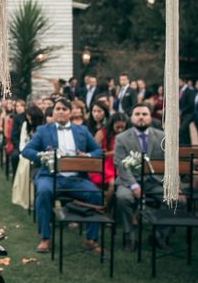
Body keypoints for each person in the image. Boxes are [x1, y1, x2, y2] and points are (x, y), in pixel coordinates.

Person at [21, 97, 103, 254]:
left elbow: (98, 151)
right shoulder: (43, 130)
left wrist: (87, 155)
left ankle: (91, 238)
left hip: (76, 179)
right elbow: (27, 151)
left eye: (64, 109)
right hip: (51, 177)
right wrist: (44, 156)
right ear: (53, 111)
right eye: (57, 109)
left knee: (96, 194)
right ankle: (45, 237)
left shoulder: (82, 131)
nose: (60, 112)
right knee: (43, 192)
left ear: (71, 113)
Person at [113, 103, 166, 251]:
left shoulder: (162, 137)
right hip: (130, 181)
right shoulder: (122, 138)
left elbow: (171, 165)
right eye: (137, 114)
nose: (141, 117)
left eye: (144, 114)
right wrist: (134, 186)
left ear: (150, 117)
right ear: (131, 117)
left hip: (155, 181)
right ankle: (131, 237)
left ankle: (158, 235)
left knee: (174, 200)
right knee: (123, 198)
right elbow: (120, 164)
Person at [11, 105, 45, 209]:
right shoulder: (25, 125)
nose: (29, 120)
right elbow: (22, 142)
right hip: (26, 153)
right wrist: (23, 154)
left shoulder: (43, 127)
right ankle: (26, 197)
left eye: (31, 118)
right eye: (28, 117)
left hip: (40, 154)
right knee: (24, 163)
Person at [90, 112, 128, 204]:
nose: (120, 130)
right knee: (113, 183)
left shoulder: (126, 135)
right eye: (118, 127)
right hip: (104, 165)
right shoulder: (102, 133)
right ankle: (105, 206)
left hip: (120, 165)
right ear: (112, 124)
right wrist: (113, 153)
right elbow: (94, 153)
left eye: (123, 128)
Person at [179, 77, 196, 145]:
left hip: (188, 114)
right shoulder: (180, 91)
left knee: (182, 130)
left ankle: (183, 145)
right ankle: (187, 146)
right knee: (186, 132)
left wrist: (182, 110)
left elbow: (191, 103)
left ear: (183, 81)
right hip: (183, 115)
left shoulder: (189, 91)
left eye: (179, 81)